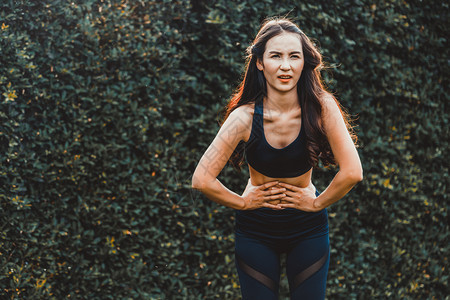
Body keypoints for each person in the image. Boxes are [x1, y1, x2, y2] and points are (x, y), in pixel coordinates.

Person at [191, 17, 362, 300]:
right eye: (276, 56)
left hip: (307, 229)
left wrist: (317, 203)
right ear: (260, 62)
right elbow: (201, 179)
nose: (285, 65)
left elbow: (353, 171)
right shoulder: (243, 117)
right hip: (256, 230)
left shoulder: (322, 108)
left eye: (294, 56)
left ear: (305, 62)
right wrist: (244, 202)